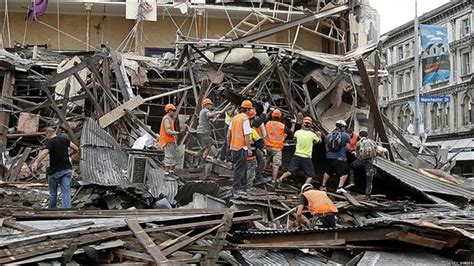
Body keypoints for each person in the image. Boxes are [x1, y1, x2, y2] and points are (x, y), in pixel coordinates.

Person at [31, 127, 79, 209]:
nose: (46, 137)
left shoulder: (51, 142)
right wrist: (70, 154)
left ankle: (52, 209)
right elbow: (76, 149)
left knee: (53, 192)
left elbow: (44, 152)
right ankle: (67, 209)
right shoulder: (64, 139)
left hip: (55, 171)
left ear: (48, 133)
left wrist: (36, 162)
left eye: (46, 135)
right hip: (67, 170)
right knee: (66, 191)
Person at [346, 131, 389, 199]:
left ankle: (351, 181)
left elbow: (357, 155)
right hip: (370, 162)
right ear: (367, 136)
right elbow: (384, 151)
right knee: (369, 180)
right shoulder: (372, 142)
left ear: (359, 136)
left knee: (351, 166)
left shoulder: (359, 143)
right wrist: (387, 159)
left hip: (361, 161)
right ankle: (368, 195)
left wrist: (355, 154)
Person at [278, 117, 321, 184]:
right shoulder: (313, 135)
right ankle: (304, 189)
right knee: (310, 176)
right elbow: (318, 141)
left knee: (290, 171)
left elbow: (295, 140)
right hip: (306, 157)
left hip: (297, 155)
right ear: (310, 125)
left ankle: (280, 179)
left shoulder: (297, 133)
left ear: (302, 124)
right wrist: (319, 135)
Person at [228, 100, 253, 195]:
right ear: (247, 109)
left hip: (234, 147)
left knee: (242, 167)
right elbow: (246, 135)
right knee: (240, 169)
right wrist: (249, 148)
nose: (250, 111)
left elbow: (229, 133)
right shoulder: (245, 119)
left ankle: (243, 187)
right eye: (249, 109)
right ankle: (237, 187)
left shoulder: (235, 118)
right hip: (241, 147)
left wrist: (228, 145)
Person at [320, 120, 351, 194]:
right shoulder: (345, 135)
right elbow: (348, 147)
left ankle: (323, 186)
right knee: (345, 172)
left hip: (329, 157)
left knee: (328, 171)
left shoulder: (328, 136)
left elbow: (326, 145)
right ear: (342, 127)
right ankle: (340, 187)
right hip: (340, 157)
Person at [265, 109, 292, 181]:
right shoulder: (282, 126)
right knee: (276, 165)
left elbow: (264, 119)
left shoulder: (267, 123)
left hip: (267, 146)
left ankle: (262, 175)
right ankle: (273, 180)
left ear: (272, 116)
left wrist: (269, 111)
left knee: (266, 160)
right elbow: (290, 132)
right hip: (277, 148)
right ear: (280, 117)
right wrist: (293, 124)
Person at [197, 98, 223, 166]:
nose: (211, 105)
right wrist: (218, 112)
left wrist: (215, 116)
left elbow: (210, 117)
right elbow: (210, 115)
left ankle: (199, 153)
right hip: (204, 131)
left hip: (202, 131)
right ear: (206, 105)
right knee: (208, 147)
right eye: (210, 104)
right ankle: (203, 161)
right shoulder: (205, 110)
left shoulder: (202, 111)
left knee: (211, 142)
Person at [246, 108, 265, 189]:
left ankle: (242, 184)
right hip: (251, 153)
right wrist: (262, 148)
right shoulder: (252, 130)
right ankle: (249, 185)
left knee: (243, 168)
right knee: (252, 168)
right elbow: (259, 143)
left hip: (240, 152)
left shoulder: (240, 127)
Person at [158, 103, 180, 174]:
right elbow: (168, 131)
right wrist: (176, 133)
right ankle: (166, 172)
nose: (174, 112)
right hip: (167, 141)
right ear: (169, 111)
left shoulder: (170, 119)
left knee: (173, 156)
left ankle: (171, 171)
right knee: (169, 156)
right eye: (173, 110)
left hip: (170, 140)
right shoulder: (166, 119)